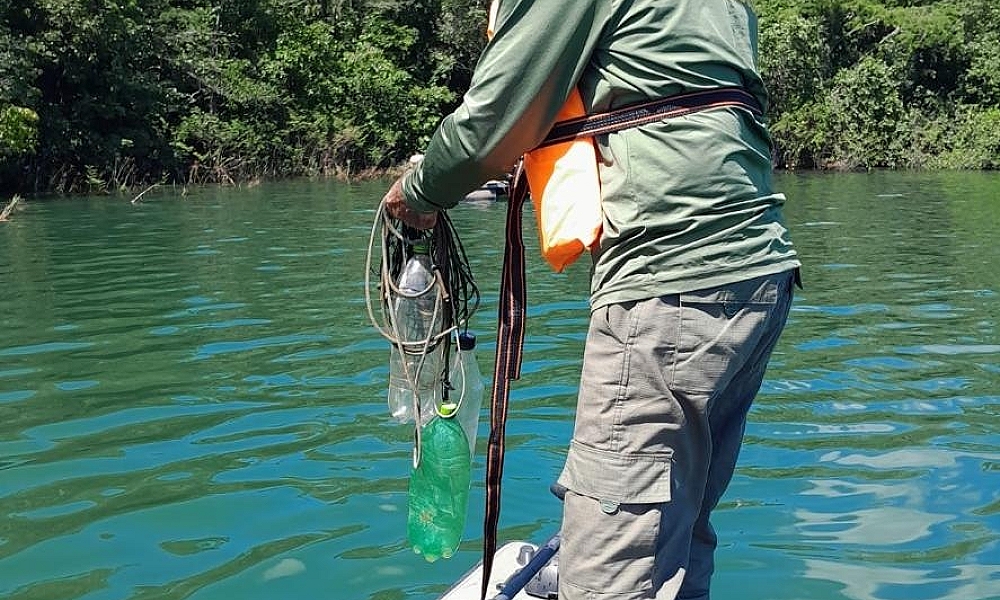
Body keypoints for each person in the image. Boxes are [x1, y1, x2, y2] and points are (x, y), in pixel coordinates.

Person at [381, 0, 801, 598]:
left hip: (671, 280)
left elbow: (499, 111)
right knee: (675, 535)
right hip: (756, 271)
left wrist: (421, 190)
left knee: (611, 561)